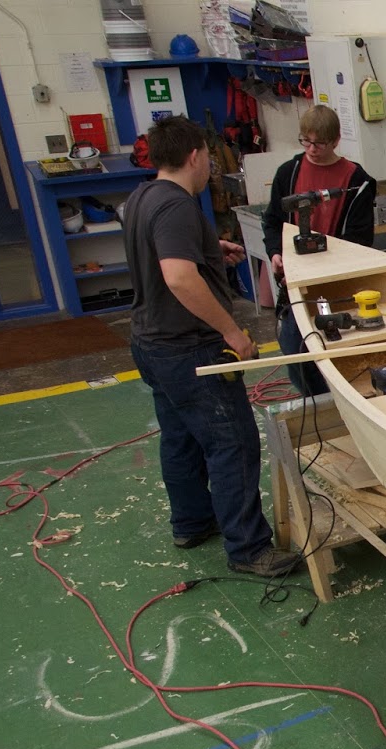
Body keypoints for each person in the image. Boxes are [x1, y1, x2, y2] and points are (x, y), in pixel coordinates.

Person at [123, 115, 300, 579]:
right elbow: (179, 278)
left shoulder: (143, 196)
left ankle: (191, 522)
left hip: (151, 342)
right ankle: (249, 549)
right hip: (189, 347)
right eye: (207, 159)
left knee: (180, 437)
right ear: (194, 156)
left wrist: (207, 249)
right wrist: (232, 333)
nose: (209, 168)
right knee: (232, 442)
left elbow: (165, 255)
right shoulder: (176, 206)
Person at [261, 105, 378, 396]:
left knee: (339, 349)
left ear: (336, 141)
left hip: (337, 282)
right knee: (294, 347)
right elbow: (273, 221)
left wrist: (325, 263)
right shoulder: (289, 173)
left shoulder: (357, 181)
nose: (312, 149)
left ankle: (342, 401)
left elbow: (360, 238)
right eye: (306, 141)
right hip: (295, 282)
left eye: (320, 143)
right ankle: (318, 401)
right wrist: (276, 252)